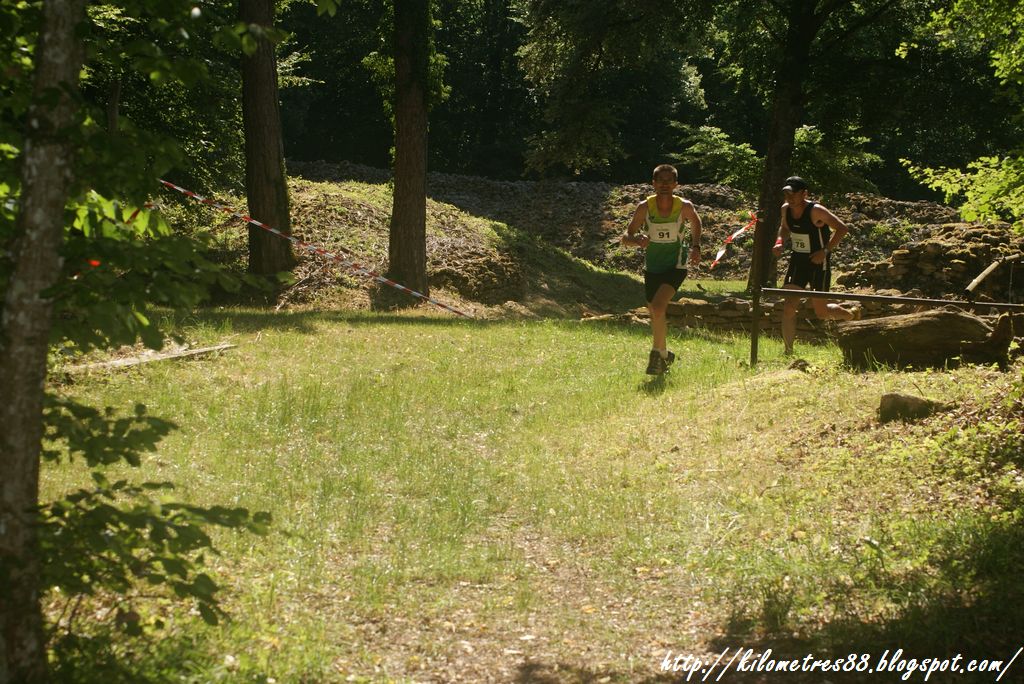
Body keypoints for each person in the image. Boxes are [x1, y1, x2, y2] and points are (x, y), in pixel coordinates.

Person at [622, 164, 702, 375]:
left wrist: (696, 246)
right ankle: (666, 355)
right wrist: (637, 240)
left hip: (676, 264)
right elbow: (626, 237)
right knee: (656, 313)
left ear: (676, 184)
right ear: (654, 184)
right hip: (653, 266)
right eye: (661, 181)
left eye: (669, 181)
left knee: (658, 307)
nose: (665, 184)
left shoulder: (684, 206)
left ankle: (655, 355)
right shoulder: (644, 207)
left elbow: (696, 223)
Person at [772, 175, 859, 355]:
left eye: (793, 194)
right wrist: (780, 241)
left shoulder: (816, 211)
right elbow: (785, 228)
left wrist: (825, 251)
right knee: (789, 306)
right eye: (787, 194)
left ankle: (851, 314)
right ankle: (788, 351)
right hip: (798, 261)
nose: (789, 198)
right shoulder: (785, 209)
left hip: (818, 262)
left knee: (821, 312)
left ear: (804, 194)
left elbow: (842, 229)